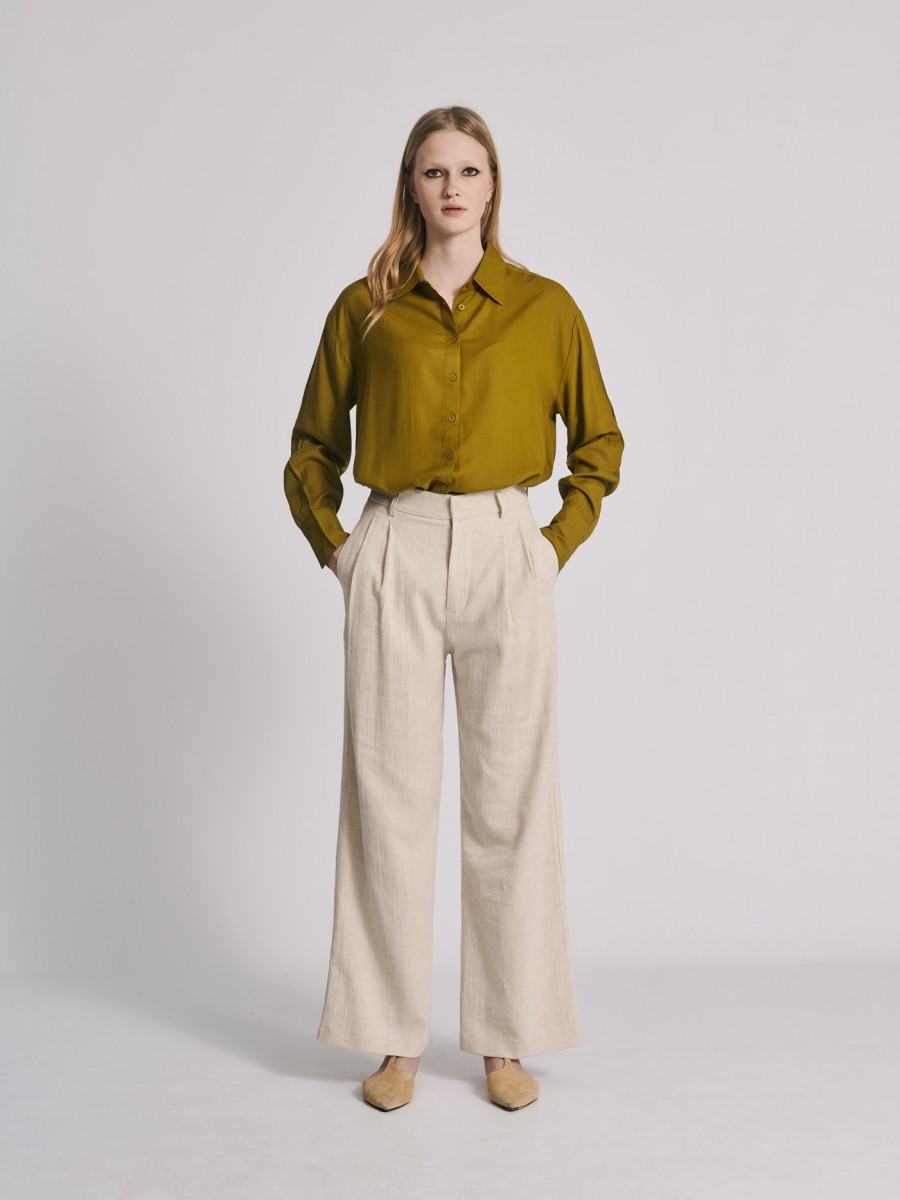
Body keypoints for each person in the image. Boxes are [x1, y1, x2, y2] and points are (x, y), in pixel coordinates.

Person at [283, 105, 624, 1111]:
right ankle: (393, 1040)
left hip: (504, 546)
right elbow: (310, 449)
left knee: (509, 799)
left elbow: (600, 444)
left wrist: (547, 547)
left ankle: (505, 1041)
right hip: (395, 540)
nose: (453, 189)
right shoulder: (365, 309)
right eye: (434, 172)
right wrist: (343, 551)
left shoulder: (545, 307)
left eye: (469, 170)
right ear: (411, 185)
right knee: (387, 799)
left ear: (493, 184)